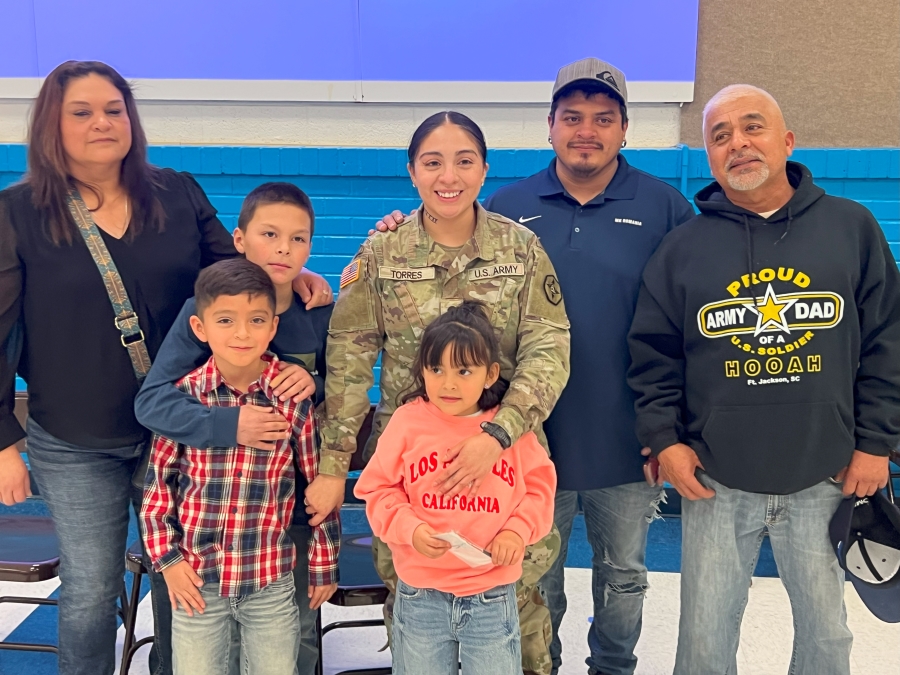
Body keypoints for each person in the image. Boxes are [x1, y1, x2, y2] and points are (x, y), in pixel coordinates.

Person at [0, 61, 330, 675]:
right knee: (92, 593)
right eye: (82, 111)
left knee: (186, 584)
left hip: (186, 430)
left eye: (114, 109)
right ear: (51, 123)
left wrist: (289, 275)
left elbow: (237, 285)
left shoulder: (176, 192)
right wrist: (1, 443)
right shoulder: (16, 213)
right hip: (79, 439)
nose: (103, 122)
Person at [376, 58, 695, 675]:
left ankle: (612, 667)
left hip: (627, 437)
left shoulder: (664, 207)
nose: (586, 131)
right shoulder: (510, 206)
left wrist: (671, 427)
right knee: (529, 573)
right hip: (522, 440)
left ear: (624, 129)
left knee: (624, 573)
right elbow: (442, 256)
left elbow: (689, 323)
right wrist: (393, 226)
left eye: (603, 119)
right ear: (550, 125)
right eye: (571, 117)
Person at [627, 84, 900, 675]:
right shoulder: (681, 250)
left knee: (828, 641)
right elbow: (652, 358)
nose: (738, 144)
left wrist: (877, 443)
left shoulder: (851, 228)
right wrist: (665, 442)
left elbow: (888, 344)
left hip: (827, 474)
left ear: (787, 142)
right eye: (719, 136)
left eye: (752, 127)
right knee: (703, 644)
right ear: (709, 156)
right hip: (716, 480)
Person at [314, 110, 571, 675]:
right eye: (432, 162)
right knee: (415, 615)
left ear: (484, 170)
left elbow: (549, 352)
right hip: (413, 477)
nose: (447, 175)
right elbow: (349, 362)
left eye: (464, 161)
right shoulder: (382, 255)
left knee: (519, 615)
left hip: (504, 472)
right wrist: (334, 464)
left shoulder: (520, 248)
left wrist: (498, 435)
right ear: (411, 172)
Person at [135, 182, 335, 675]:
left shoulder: (320, 308)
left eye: (298, 240)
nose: (283, 249)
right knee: (194, 642)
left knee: (294, 636)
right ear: (240, 239)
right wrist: (231, 424)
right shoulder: (201, 311)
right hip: (207, 515)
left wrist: (313, 381)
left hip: (287, 509)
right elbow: (154, 401)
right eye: (270, 235)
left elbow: (344, 387)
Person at [354, 301, 557, 675]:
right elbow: (378, 489)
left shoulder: (509, 430)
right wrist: (409, 528)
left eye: (464, 370)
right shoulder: (407, 422)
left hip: (491, 595)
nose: (448, 383)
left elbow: (540, 488)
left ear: (490, 373)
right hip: (421, 594)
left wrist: (516, 531)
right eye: (436, 369)